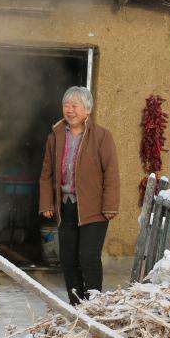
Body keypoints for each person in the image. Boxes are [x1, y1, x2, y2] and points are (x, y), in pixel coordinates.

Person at [40, 86, 120, 305]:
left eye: (75, 105)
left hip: (93, 208)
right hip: (66, 206)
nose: (70, 110)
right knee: (68, 259)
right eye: (66, 105)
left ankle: (94, 305)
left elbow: (111, 172)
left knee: (88, 257)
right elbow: (46, 173)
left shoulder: (102, 136)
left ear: (87, 110)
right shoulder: (55, 136)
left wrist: (110, 205)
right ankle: (76, 305)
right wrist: (46, 202)